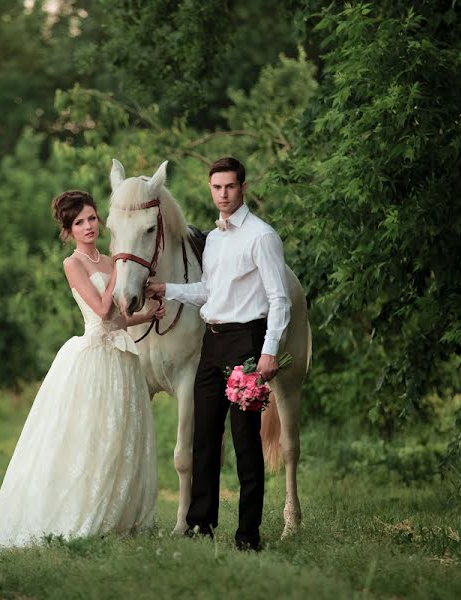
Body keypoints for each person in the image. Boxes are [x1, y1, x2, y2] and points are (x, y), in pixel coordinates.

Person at [0, 190, 165, 549]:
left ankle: (117, 516)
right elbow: (101, 310)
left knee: (119, 438)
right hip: (93, 358)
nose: (88, 227)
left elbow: (122, 319)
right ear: (68, 230)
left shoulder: (113, 259)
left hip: (122, 359)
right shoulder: (74, 264)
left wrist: (148, 314)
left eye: (92, 218)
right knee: (89, 437)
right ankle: (77, 514)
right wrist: (121, 267)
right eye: (79, 222)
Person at [145, 157, 291, 551]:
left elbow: (279, 300)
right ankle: (200, 525)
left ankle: (247, 535)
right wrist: (168, 289)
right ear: (210, 190)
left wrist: (268, 351)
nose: (223, 194)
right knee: (204, 439)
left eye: (229, 186)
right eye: (216, 187)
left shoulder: (261, 236)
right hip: (212, 344)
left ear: (243, 187)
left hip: (246, 342)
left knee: (245, 444)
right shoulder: (213, 238)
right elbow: (209, 292)